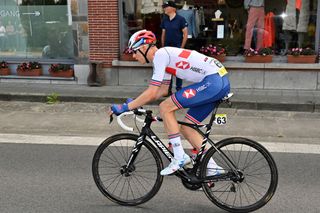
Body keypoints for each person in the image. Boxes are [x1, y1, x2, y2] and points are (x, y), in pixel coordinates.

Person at [109, 29, 230, 176]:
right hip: (217, 82)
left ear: (142, 48)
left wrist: (124, 107)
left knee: (165, 107)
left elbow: (153, 92)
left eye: (134, 51)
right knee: (188, 128)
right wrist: (136, 102)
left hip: (213, 81)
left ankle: (179, 157)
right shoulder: (163, 57)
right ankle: (213, 168)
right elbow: (162, 90)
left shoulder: (160, 55)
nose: (133, 56)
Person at [160, 0, 188, 94]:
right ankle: (168, 90)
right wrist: (163, 47)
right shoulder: (165, 20)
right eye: (164, 7)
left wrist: (181, 47)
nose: (164, 8)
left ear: (173, 9)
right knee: (168, 69)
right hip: (167, 49)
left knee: (178, 69)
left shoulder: (181, 19)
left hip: (177, 49)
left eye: (166, 7)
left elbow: (185, 34)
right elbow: (163, 34)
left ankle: (179, 89)